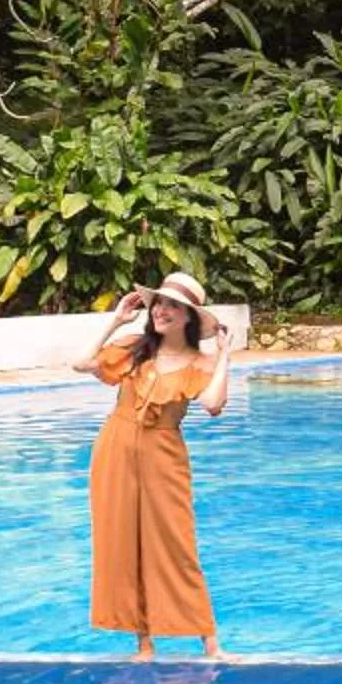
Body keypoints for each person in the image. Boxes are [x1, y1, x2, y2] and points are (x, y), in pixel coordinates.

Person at [73, 270, 235, 659]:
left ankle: (211, 645)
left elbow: (213, 403)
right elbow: (81, 364)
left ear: (189, 318)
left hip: (164, 454)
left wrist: (225, 355)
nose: (162, 310)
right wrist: (115, 320)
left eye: (174, 306)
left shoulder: (199, 363)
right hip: (115, 448)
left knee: (177, 544)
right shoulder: (134, 347)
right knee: (123, 543)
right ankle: (143, 644)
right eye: (159, 303)